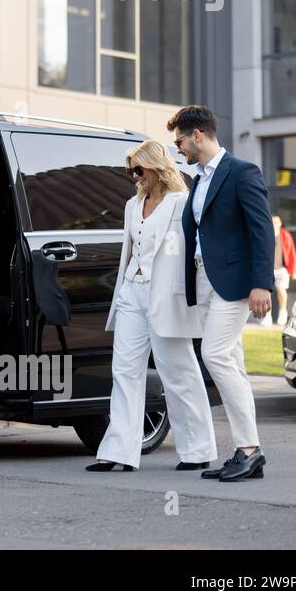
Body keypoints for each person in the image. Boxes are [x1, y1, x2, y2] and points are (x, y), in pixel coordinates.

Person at [87, 139, 217, 473]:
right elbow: (131, 250)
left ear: (156, 167)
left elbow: (197, 251)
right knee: (124, 371)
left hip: (166, 297)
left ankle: (197, 450)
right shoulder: (132, 205)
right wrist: (125, 290)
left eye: (138, 169)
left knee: (178, 372)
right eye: (130, 171)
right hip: (132, 292)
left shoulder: (182, 202)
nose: (135, 176)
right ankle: (119, 452)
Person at [167, 105, 274, 482]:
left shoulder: (242, 172)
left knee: (214, 354)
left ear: (197, 135)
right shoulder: (198, 180)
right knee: (233, 362)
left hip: (234, 283)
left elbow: (262, 229)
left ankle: (250, 449)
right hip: (204, 280)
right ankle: (247, 451)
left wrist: (262, 283)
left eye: (179, 141)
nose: (178, 148)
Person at [269, 215, 296, 327]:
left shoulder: (285, 235)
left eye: (277, 222)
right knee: (267, 292)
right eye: (273, 222)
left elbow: (291, 252)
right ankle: (267, 315)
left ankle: (282, 312)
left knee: (281, 290)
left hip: (282, 268)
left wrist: (294, 270)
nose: (274, 224)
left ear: (280, 223)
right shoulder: (267, 233)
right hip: (269, 269)